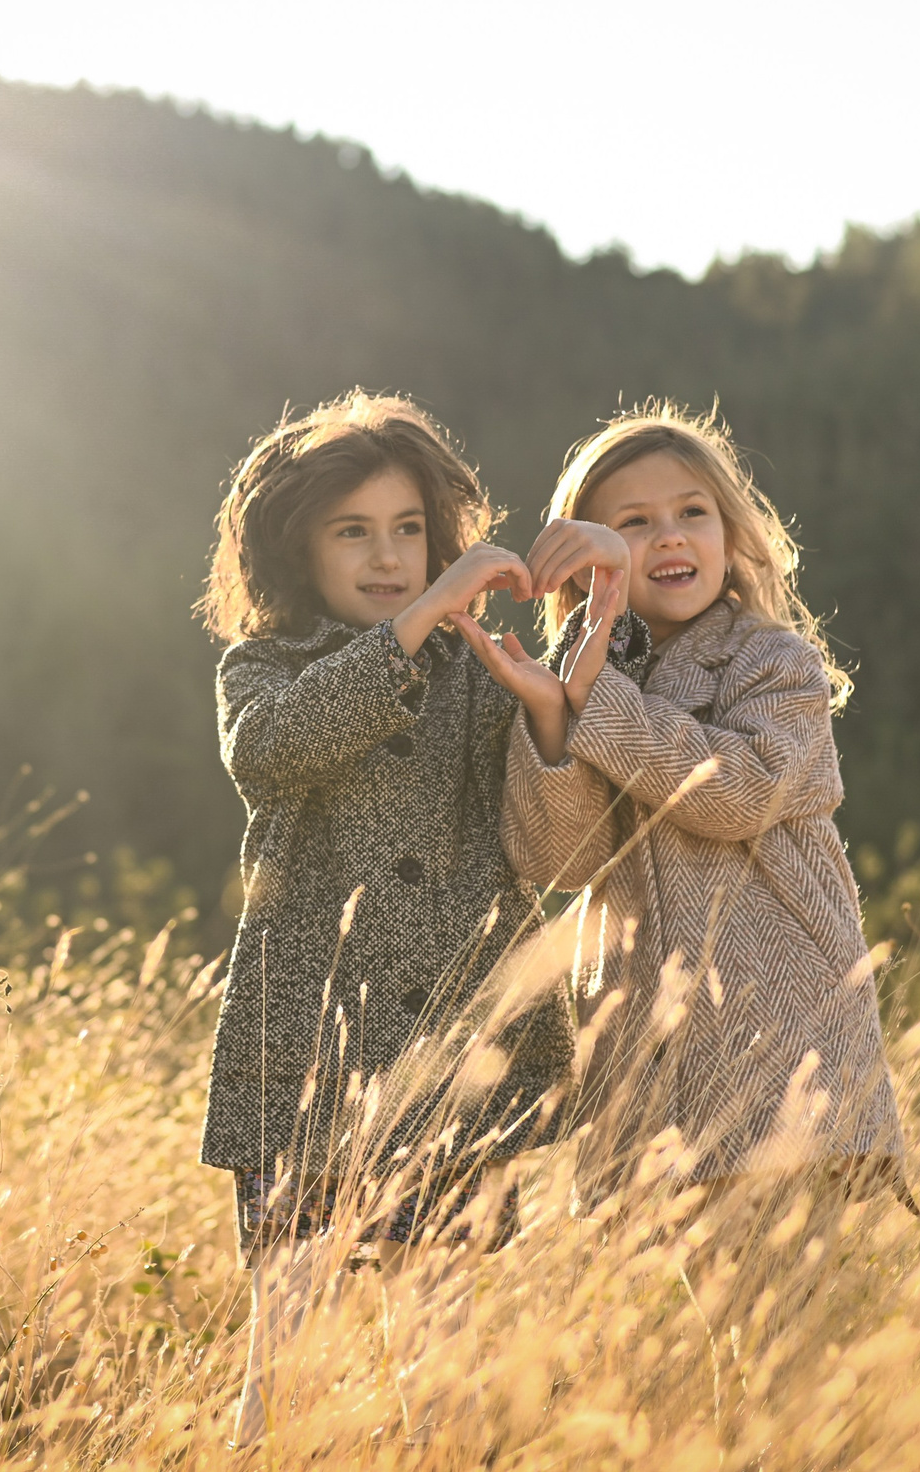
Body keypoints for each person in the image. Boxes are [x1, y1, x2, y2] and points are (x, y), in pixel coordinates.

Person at [196, 391, 576, 1445]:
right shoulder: (263, 669)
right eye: (352, 531)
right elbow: (268, 755)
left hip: (454, 1061)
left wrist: (593, 611)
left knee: (442, 1361)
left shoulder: (476, 673)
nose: (388, 555)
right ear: (295, 547)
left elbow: (557, 813)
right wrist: (416, 623)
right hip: (300, 1071)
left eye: (410, 529)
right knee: (286, 1355)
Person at [456, 401, 910, 1226]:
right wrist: (556, 720)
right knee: (676, 1332)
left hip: (785, 1042)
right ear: (582, 559)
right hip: (643, 1063)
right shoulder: (576, 674)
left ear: (732, 536)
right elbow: (554, 857)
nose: (669, 535)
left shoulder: (774, 661)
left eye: (691, 513)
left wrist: (599, 700)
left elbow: (738, 794)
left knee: (785, 1325)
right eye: (631, 523)